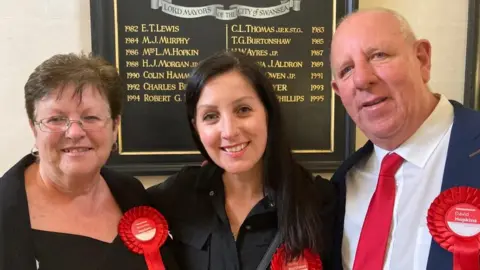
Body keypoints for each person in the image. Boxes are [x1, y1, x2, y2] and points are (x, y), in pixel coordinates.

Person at [147, 51, 336, 269]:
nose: (228, 131)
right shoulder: (177, 194)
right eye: (211, 116)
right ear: (196, 127)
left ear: (268, 113)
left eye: (243, 110)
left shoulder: (321, 200)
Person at [329, 8, 480, 270]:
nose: (363, 79)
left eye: (378, 55)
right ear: (338, 92)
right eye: (346, 70)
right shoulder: (342, 184)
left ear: (422, 59)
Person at [0, 53, 178, 270]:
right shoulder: (6, 212)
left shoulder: (132, 193)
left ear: (115, 127)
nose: (74, 132)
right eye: (56, 119)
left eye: (91, 117)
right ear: (33, 128)